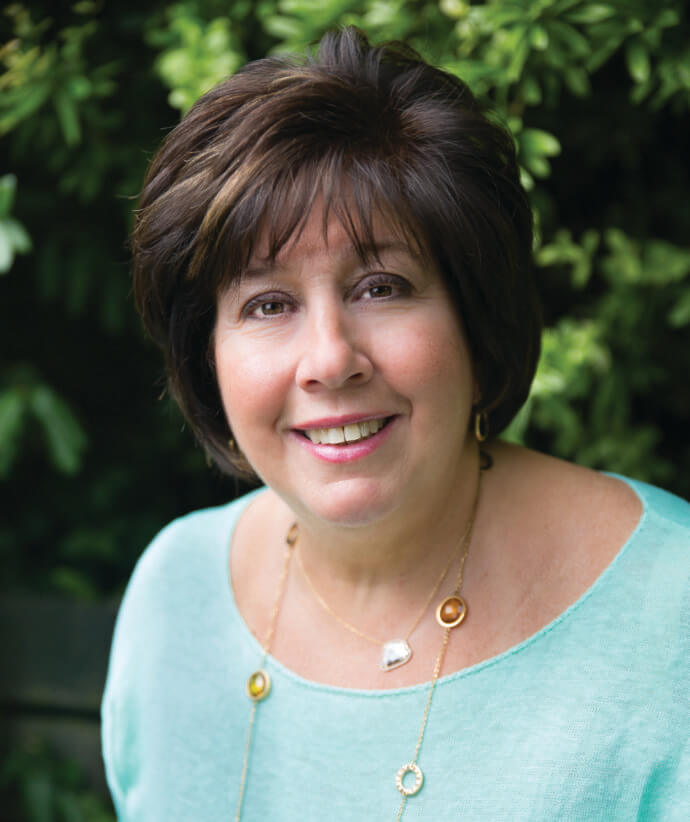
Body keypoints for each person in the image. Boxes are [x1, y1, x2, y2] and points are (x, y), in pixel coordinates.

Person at [102, 26, 689, 821]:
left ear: (476, 318)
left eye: (381, 286)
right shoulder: (174, 594)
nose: (329, 359)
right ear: (206, 357)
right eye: (267, 304)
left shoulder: (669, 617)